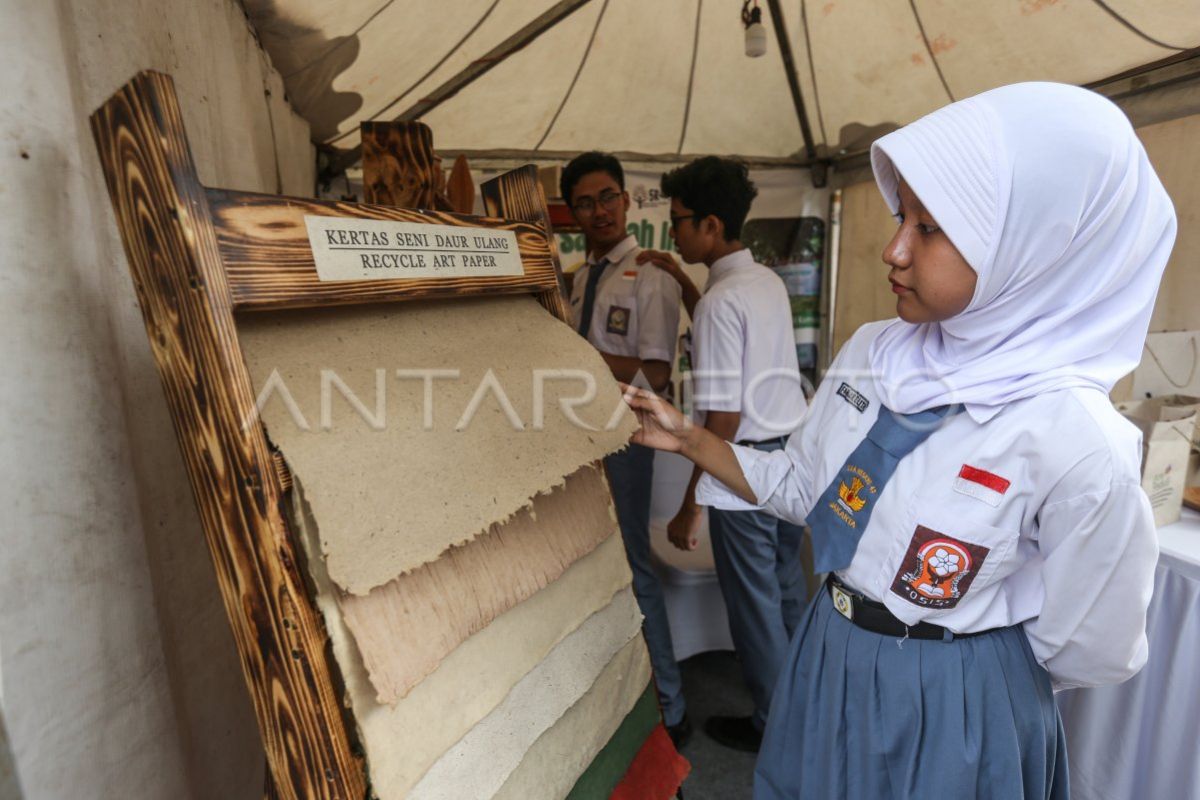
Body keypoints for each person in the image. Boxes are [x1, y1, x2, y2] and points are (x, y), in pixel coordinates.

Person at [621, 82, 1174, 798]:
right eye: (899, 216)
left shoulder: (1073, 436)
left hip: (957, 692)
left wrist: (963, 676)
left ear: (1029, 248)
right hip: (830, 646)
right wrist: (694, 441)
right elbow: (808, 489)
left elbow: (1092, 645)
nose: (894, 249)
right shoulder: (877, 352)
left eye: (931, 228)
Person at [638, 157, 809, 753]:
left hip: (744, 466)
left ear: (711, 225)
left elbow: (721, 422)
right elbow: (718, 314)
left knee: (753, 605)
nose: (675, 233)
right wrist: (682, 280)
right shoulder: (761, 282)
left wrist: (693, 506)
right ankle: (802, 707)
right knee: (786, 588)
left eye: (680, 222)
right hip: (790, 455)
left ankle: (773, 726)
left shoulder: (720, 303)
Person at [559, 152, 691, 745]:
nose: (599, 211)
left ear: (627, 201)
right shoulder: (581, 278)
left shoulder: (650, 274)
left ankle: (672, 707)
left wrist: (576, 357)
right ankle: (620, 700)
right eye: (585, 202)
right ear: (573, 213)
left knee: (635, 565)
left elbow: (657, 376)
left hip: (628, 439)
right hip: (579, 436)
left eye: (607, 196)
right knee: (591, 568)